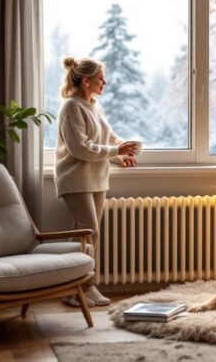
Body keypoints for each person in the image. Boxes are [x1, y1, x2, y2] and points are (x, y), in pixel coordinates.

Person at [55, 56, 138, 307]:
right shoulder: (71, 107)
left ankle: (82, 285)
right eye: (101, 78)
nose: (105, 82)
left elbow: (108, 138)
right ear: (86, 80)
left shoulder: (95, 105)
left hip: (97, 178)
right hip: (75, 179)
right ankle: (76, 288)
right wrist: (115, 152)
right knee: (87, 232)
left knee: (91, 234)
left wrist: (120, 156)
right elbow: (81, 148)